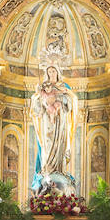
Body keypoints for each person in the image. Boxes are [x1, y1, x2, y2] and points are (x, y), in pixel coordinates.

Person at [30, 58, 78, 195]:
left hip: (61, 123)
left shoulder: (64, 88)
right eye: (49, 71)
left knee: (59, 146)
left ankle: (59, 169)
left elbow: (71, 102)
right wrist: (41, 97)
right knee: (47, 146)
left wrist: (60, 97)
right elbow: (36, 107)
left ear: (57, 72)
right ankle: (48, 169)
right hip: (47, 123)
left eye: (53, 71)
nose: (51, 73)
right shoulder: (43, 88)